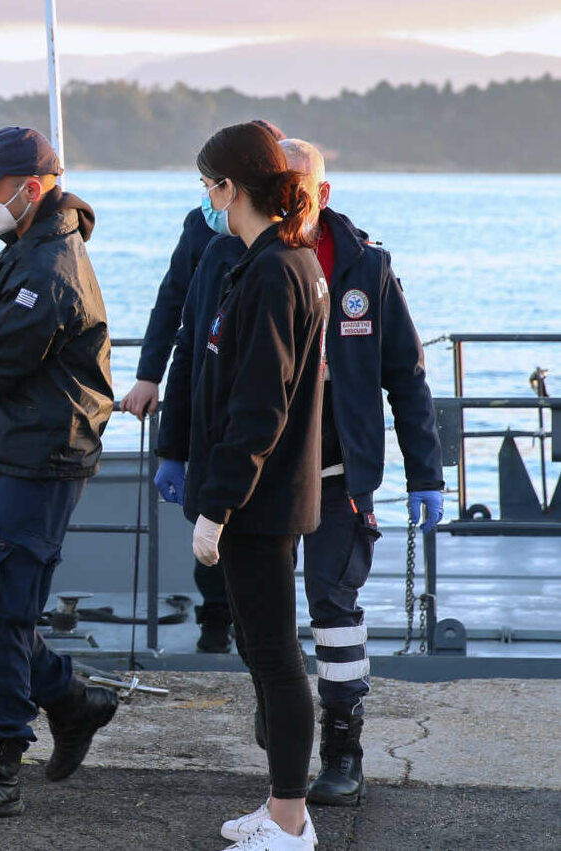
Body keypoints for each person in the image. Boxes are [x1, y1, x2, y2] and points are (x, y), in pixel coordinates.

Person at [0, 126, 118, 823]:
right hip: (4, 449)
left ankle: (0, 763)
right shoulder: (26, 247)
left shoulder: (49, 267)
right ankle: (71, 699)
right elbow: (5, 347)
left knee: (0, 610)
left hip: (43, 456)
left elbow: (1, 367)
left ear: (31, 189)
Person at [276, 139, 443, 808]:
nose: (285, 195)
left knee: (334, 607)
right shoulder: (241, 256)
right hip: (261, 474)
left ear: (322, 192)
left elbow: (405, 374)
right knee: (258, 610)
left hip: (340, 474)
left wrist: (424, 473)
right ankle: (279, 709)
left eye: (296, 184)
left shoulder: (366, 266)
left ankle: (342, 751)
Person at [182, 122, 327, 851]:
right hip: (259, 496)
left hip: (258, 503)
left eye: (207, 185)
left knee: (274, 656)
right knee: (262, 649)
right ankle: (278, 806)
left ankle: (290, 818)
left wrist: (218, 505)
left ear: (228, 187)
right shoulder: (269, 261)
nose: (205, 198)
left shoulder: (275, 270)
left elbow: (260, 405)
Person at [122, 119, 284, 654]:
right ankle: (216, 619)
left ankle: (264, 627)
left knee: (267, 523)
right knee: (210, 511)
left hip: (268, 401)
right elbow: (174, 301)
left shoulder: (290, 248)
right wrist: (149, 375)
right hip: (208, 394)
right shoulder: (204, 233)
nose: (209, 195)